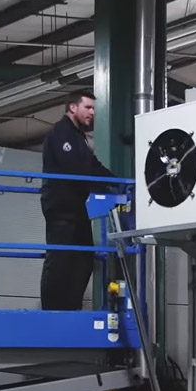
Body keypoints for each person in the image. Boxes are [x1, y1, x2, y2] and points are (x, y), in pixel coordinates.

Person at [39, 89, 116, 311]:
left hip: (77, 208)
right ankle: (52, 310)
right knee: (61, 259)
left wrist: (117, 183)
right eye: (88, 107)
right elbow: (76, 169)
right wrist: (104, 185)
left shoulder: (78, 137)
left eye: (94, 109)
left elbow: (92, 166)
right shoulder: (61, 133)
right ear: (73, 107)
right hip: (61, 207)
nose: (92, 113)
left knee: (83, 259)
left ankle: (72, 307)